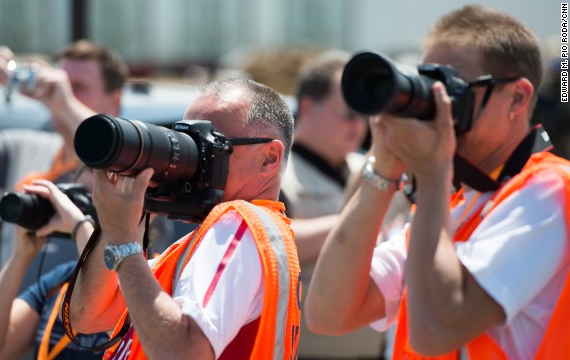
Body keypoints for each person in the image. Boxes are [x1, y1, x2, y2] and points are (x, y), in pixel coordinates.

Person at [306, 5, 570, 359]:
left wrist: (432, 173)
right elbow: (329, 314)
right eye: (429, 85)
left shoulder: (551, 193)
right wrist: (384, 168)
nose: (436, 103)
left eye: (451, 87)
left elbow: (436, 331)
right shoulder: (455, 207)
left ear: (517, 98)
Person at [68, 78, 301, 359]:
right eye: (185, 142)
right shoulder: (214, 238)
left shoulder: (240, 224)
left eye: (209, 145)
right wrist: (129, 210)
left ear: (269, 159)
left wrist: (123, 242)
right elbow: (90, 315)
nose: (193, 160)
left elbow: (184, 352)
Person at [0, 39, 128, 277]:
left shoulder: (128, 166)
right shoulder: (23, 148)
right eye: (61, 82)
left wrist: (65, 104)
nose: (63, 92)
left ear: (114, 102)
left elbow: (112, 156)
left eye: (77, 86)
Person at [280, 50, 387, 359]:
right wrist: (361, 222)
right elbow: (270, 242)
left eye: (365, 114)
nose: (360, 125)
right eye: (349, 113)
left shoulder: (373, 167)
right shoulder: (276, 173)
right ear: (308, 107)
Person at [0, 175, 109, 360]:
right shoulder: (60, 282)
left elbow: (112, 295)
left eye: (97, 199)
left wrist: (81, 227)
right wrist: (22, 256)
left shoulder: (146, 283)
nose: (80, 212)